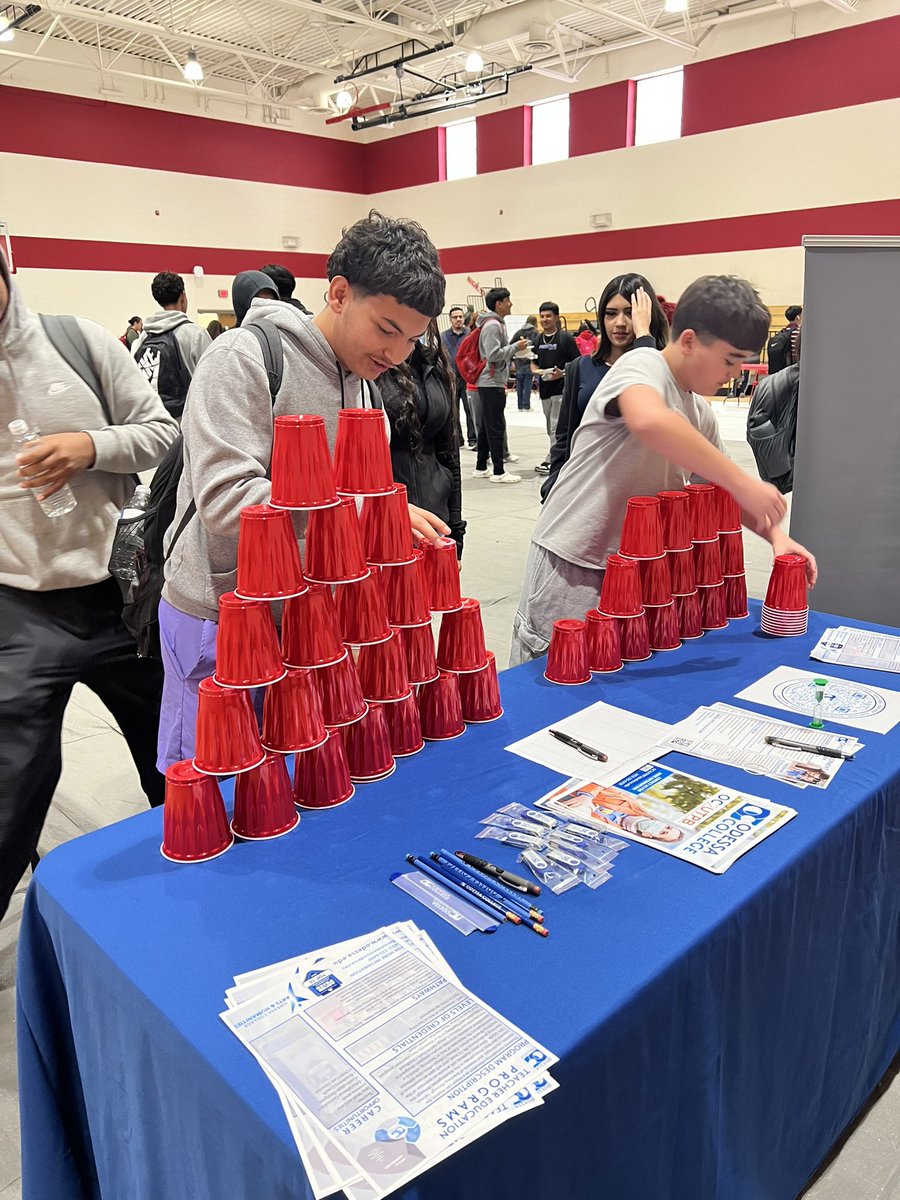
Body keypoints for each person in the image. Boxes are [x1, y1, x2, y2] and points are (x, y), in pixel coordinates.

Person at [158, 211, 449, 771]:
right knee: (218, 781)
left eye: (411, 340)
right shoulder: (244, 358)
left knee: (294, 777)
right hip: (223, 615)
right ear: (339, 294)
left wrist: (389, 514)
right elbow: (226, 499)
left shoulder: (365, 384)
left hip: (310, 619)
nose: (396, 354)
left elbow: (355, 491)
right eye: (387, 329)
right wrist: (366, 511)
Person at [510, 274, 818, 665]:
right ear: (688, 341)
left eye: (742, 363)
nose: (735, 373)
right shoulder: (641, 365)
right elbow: (649, 421)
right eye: (729, 360)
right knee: (557, 671)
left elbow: (718, 489)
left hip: (634, 569)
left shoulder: (699, 412)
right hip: (575, 564)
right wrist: (743, 480)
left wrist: (775, 536)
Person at [0, 251, 179, 918]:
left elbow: (162, 433)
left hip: (120, 598)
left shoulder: (78, 341)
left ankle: (209, 890)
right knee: (9, 795)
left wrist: (89, 446)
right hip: (15, 611)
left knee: (177, 763)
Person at [542, 274, 669, 499]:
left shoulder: (661, 368)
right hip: (585, 493)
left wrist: (644, 339)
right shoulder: (580, 368)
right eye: (611, 314)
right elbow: (565, 437)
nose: (620, 323)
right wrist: (553, 487)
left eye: (630, 313)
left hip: (641, 495)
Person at [381, 319, 465, 559]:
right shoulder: (371, 365)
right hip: (387, 520)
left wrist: (456, 533)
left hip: (436, 517)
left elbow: (449, 452)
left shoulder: (434, 363)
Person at [131, 272, 211, 418]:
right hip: (185, 424)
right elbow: (211, 385)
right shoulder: (195, 334)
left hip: (153, 422)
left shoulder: (144, 336)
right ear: (183, 296)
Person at [472, 288, 526, 485]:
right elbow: (492, 355)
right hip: (490, 381)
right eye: (507, 300)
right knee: (495, 426)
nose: (511, 303)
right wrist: (516, 348)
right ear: (499, 304)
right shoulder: (493, 325)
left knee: (488, 425)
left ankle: (480, 466)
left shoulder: (494, 323)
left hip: (491, 381)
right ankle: (498, 470)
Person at [531, 302, 580, 476]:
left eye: (548, 316)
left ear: (556, 318)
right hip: (544, 390)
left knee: (555, 427)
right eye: (542, 316)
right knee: (549, 427)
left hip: (561, 390)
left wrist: (562, 374)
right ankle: (557, 456)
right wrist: (534, 369)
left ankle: (553, 462)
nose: (545, 319)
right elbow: (534, 360)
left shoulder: (565, 338)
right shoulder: (537, 339)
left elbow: (577, 363)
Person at [440, 304, 476, 450]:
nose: (458, 319)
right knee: (454, 412)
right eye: (455, 317)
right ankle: (458, 439)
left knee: (470, 411)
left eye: (460, 317)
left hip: (468, 378)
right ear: (450, 319)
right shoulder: (443, 336)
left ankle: (473, 439)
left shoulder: (470, 335)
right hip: (452, 379)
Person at [511, 315, 539, 411]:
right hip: (529, 361)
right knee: (527, 384)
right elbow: (537, 347)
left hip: (519, 361)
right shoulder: (535, 333)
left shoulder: (519, 332)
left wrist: (513, 358)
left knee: (519, 384)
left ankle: (519, 406)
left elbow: (511, 345)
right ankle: (526, 405)